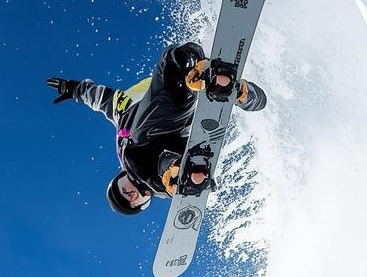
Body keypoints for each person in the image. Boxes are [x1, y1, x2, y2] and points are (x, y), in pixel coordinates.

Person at [47, 42, 267, 215]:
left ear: (119, 177)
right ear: (145, 202)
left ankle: (209, 77)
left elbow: (95, 97)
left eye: (123, 191)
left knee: (173, 59)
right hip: (174, 142)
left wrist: (73, 88)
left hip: (168, 105)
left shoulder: (118, 109)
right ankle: (179, 171)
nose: (131, 195)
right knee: (149, 167)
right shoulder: (150, 180)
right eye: (133, 201)